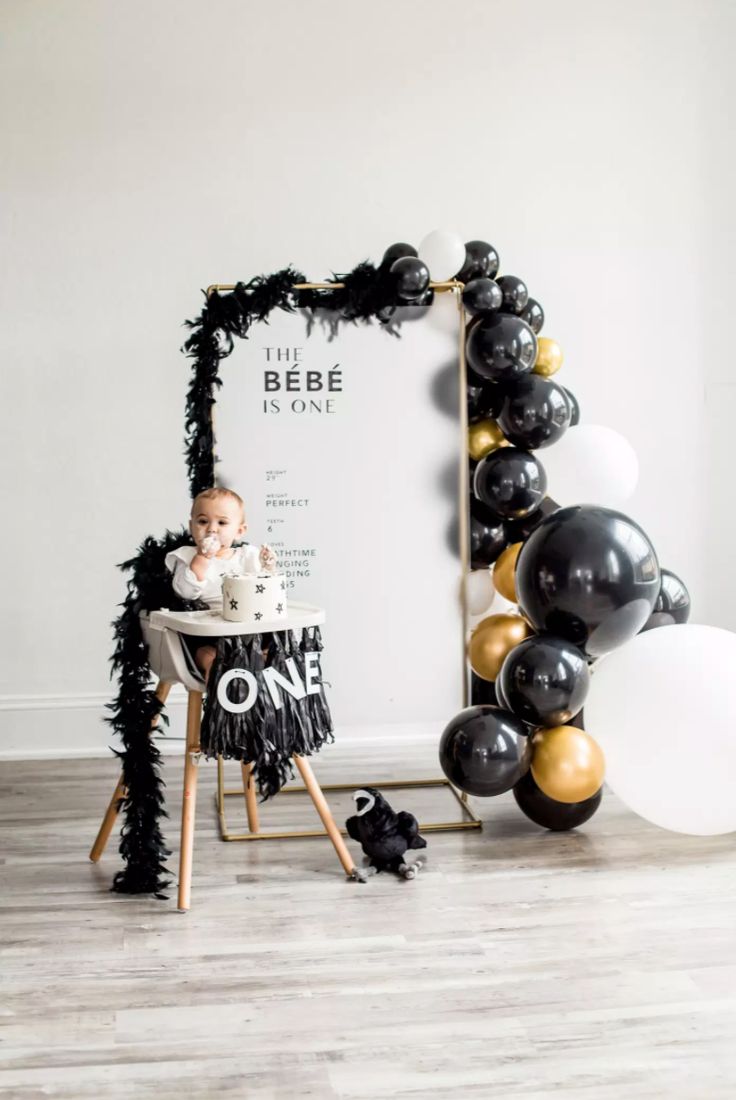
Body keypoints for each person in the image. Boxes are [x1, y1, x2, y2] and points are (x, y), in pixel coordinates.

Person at [165, 487, 274, 682]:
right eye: (203, 521)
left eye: (222, 522)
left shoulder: (247, 556)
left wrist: (268, 569)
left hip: (249, 627)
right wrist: (202, 559)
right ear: (192, 526)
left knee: (274, 640)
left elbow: (266, 592)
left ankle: (263, 666)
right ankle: (215, 677)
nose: (212, 529)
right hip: (210, 630)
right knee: (205, 652)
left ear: (239, 531)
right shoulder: (186, 556)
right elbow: (185, 592)